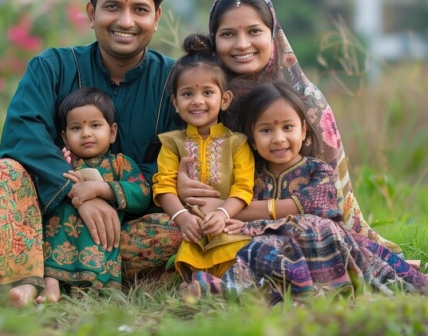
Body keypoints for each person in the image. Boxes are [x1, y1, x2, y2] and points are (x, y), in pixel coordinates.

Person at [0, 0, 182, 307]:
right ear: (91, 14)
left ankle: (22, 276)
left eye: (140, 10)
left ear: (157, 17)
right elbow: (22, 137)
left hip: (115, 236)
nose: (126, 21)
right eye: (113, 7)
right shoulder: (51, 66)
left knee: (182, 227)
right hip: (39, 228)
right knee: (5, 171)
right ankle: (21, 281)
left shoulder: (176, 83)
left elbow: (173, 168)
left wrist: (107, 191)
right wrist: (79, 194)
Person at [177, 0, 402, 255]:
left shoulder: (305, 100)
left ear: (272, 35)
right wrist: (183, 185)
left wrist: (236, 209)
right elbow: (181, 156)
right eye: (228, 34)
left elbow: (326, 196)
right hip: (220, 222)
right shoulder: (202, 96)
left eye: (254, 31)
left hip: (297, 224)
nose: (242, 44)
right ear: (215, 40)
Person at [182, 81, 428, 301]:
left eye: (287, 127)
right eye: (266, 130)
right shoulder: (250, 177)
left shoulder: (317, 170)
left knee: (312, 225)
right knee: (260, 248)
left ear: (304, 130)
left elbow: (316, 210)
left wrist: (248, 221)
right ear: (253, 140)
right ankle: (231, 290)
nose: (278, 138)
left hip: (320, 245)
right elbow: (232, 212)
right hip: (276, 251)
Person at [152, 34, 254, 281]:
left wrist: (222, 215)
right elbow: (164, 185)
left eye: (208, 92)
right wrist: (182, 217)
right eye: (187, 94)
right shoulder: (172, 143)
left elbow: (243, 187)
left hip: (225, 219)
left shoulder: (237, 143)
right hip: (187, 221)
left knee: (238, 249)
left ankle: (225, 283)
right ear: (175, 102)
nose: (197, 101)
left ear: (224, 99)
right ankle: (192, 281)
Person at [39, 87, 151, 302]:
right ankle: (50, 285)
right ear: (64, 136)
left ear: (112, 132)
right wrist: (63, 168)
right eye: (76, 128)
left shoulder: (120, 164)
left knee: (100, 263)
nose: (86, 133)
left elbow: (142, 194)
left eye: (95, 125)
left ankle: (94, 287)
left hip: (100, 238)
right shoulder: (63, 163)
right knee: (59, 212)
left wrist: (102, 189)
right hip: (60, 234)